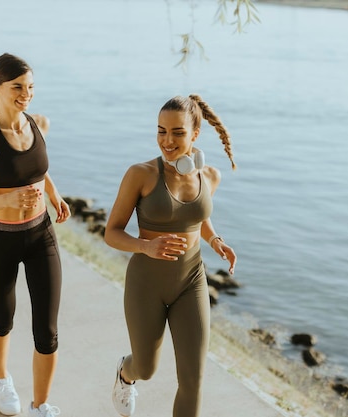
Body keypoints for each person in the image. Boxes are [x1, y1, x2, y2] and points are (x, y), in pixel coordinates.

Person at [104, 94, 237, 417]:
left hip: (191, 281)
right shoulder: (141, 174)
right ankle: (125, 374)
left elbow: (196, 217)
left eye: (177, 132)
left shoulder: (210, 176)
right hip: (146, 283)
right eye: (161, 131)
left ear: (195, 134)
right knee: (146, 368)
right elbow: (112, 232)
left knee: (193, 379)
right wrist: (145, 246)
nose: (167, 140)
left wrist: (215, 240)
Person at [0, 53, 70, 417]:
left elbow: (38, 169)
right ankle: (0, 378)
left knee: (48, 329)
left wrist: (54, 196)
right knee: (2, 319)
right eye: (17, 88)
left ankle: (41, 405)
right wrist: (9, 197)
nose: (26, 94)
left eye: (30, 87)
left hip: (41, 234)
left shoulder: (39, 122)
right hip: (0, 240)